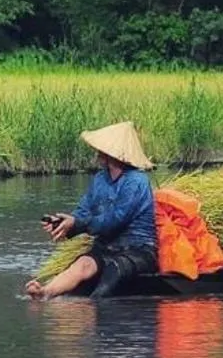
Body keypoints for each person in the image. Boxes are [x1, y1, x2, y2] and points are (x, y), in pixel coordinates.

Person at [25, 121, 159, 299]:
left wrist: (79, 223)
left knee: (114, 270)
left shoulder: (136, 181)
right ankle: (45, 292)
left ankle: (93, 305)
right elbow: (83, 210)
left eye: (101, 150)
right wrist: (67, 224)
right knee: (82, 264)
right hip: (106, 248)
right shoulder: (100, 179)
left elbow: (115, 219)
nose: (97, 153)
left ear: (113, 153)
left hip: (138, 251)